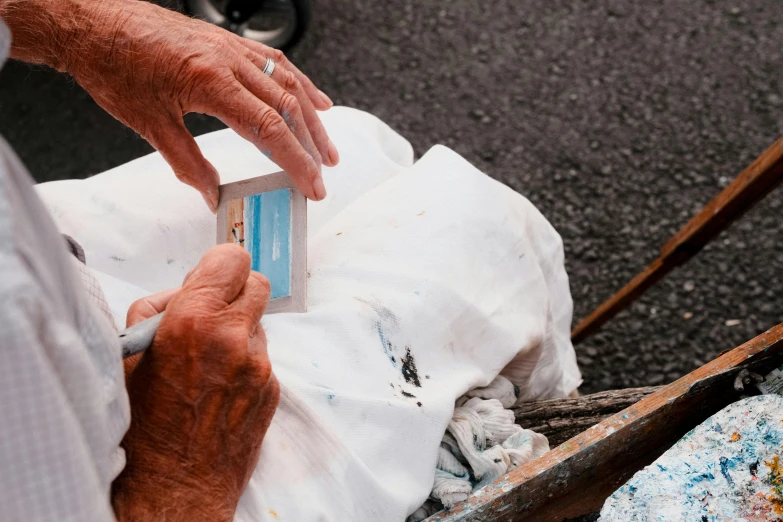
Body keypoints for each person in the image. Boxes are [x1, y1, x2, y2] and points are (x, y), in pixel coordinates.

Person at [0, 1, 581, 520]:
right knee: (478, 219)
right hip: (133, 483)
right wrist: (178, 473)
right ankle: (559, 425)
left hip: (56, 272)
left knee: (346, 142)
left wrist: (77, 24)